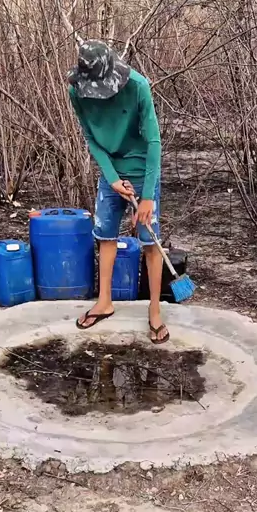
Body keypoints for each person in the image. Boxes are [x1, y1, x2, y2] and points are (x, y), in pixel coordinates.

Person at [68, 40, 169, 344]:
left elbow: (154, 141)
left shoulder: (138, 86)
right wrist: (111, 178)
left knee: (149, 240)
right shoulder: (77, 91)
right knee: (105, 235)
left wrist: (147, 196)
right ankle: (104, 302)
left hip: (142, 169)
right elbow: (90, 137)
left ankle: (154, 309)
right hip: (110, 170)